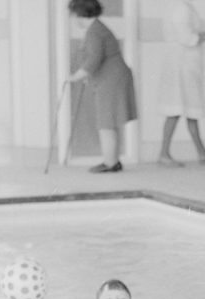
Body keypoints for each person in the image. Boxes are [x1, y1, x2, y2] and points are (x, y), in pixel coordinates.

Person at [67, 0, 138, 173]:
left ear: (82, 14)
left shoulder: (94, 32)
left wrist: (75, 76)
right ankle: (112, 160)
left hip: (111, 81)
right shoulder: (97, 28)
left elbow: (93, 60)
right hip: (112, 79)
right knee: (109, 122)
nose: (74, 19)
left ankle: (110, 163)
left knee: (106, 123)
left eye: (74, 14)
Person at [157, 0, 205, 167]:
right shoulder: (181, 8)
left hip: (183, 64)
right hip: (182, 65)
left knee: (189, 109)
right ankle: (164, 153)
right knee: (176, 109)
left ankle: (201, 152)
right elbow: (187, 38)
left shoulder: (179, 6)